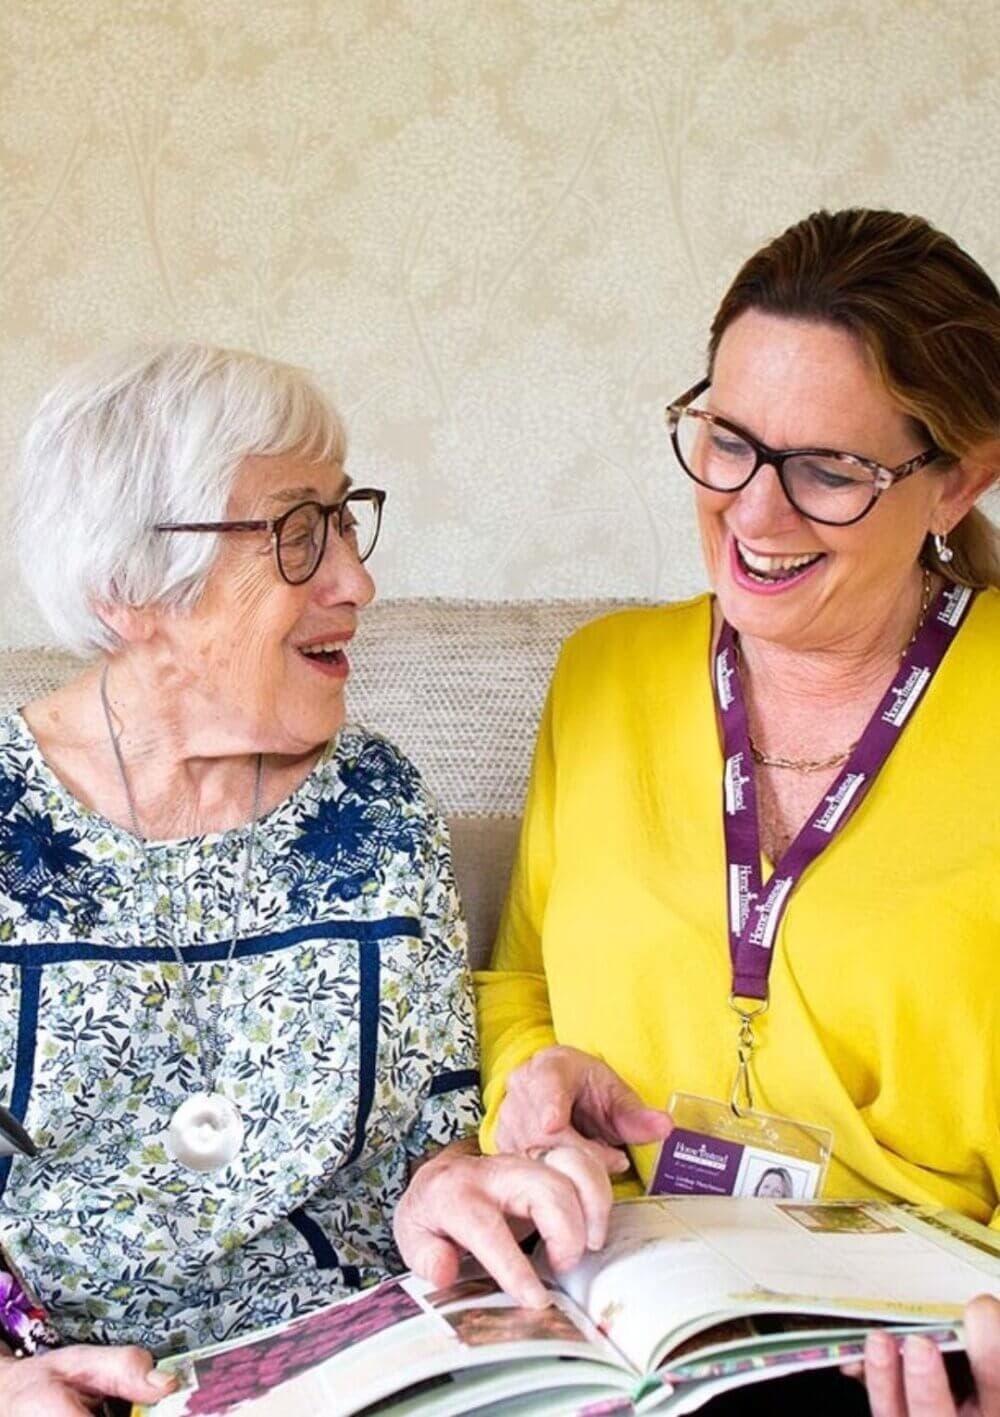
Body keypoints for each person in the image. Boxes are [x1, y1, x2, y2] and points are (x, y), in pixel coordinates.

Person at [0, 343, 604, 1414]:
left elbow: (435, 1137)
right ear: (132, 587)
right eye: (295, 533)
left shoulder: (369, 800)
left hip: (378, 1367)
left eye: (342, 517)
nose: (355, 580)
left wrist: (453, 1186)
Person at [477, 209, 1000, 1415]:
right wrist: (531, 1080)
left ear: (958, 479)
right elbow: (518, 986)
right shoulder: (603, 673)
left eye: (828, 469)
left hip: (909, 1349)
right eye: (726, 441)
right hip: (618, 1313)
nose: (753, 515)